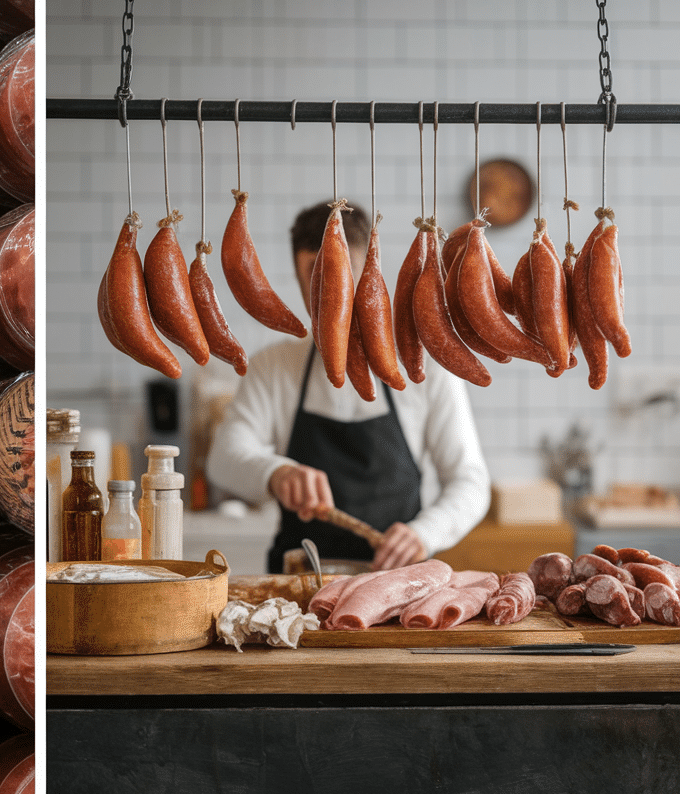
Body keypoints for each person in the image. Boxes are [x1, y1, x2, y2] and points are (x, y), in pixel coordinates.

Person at [206, 201, 490, 573]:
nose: (329, 289)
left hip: (395, 584)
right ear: (296, 276)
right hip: (299, 586)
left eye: (343, 272)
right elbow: (223, 459)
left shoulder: (422, 365)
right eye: (315, 273)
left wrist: (425, 533)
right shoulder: (273, 367)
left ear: (368, 271)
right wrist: (274, 472)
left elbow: (470, 481)